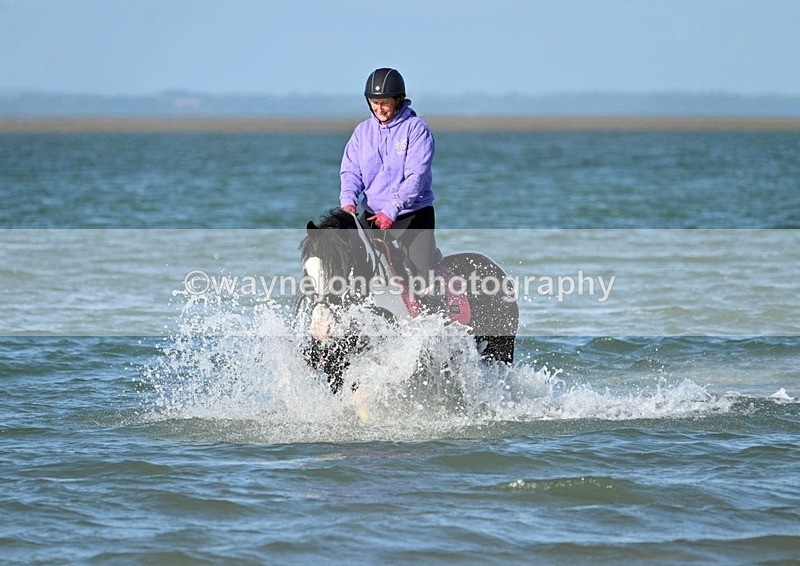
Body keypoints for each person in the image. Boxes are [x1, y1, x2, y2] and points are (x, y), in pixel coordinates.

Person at [339, 67, 438, 298]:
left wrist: (392, 210)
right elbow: (351, 171)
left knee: (422, 286)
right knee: (348, 272)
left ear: (398, 100)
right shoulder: (362, 132)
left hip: (412, 216)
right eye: (375, 103)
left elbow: (416, 177)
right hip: (373, 215)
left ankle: (435, 325)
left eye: (385, 103)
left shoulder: (416, 130)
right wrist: (348, 202)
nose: (379, 109)